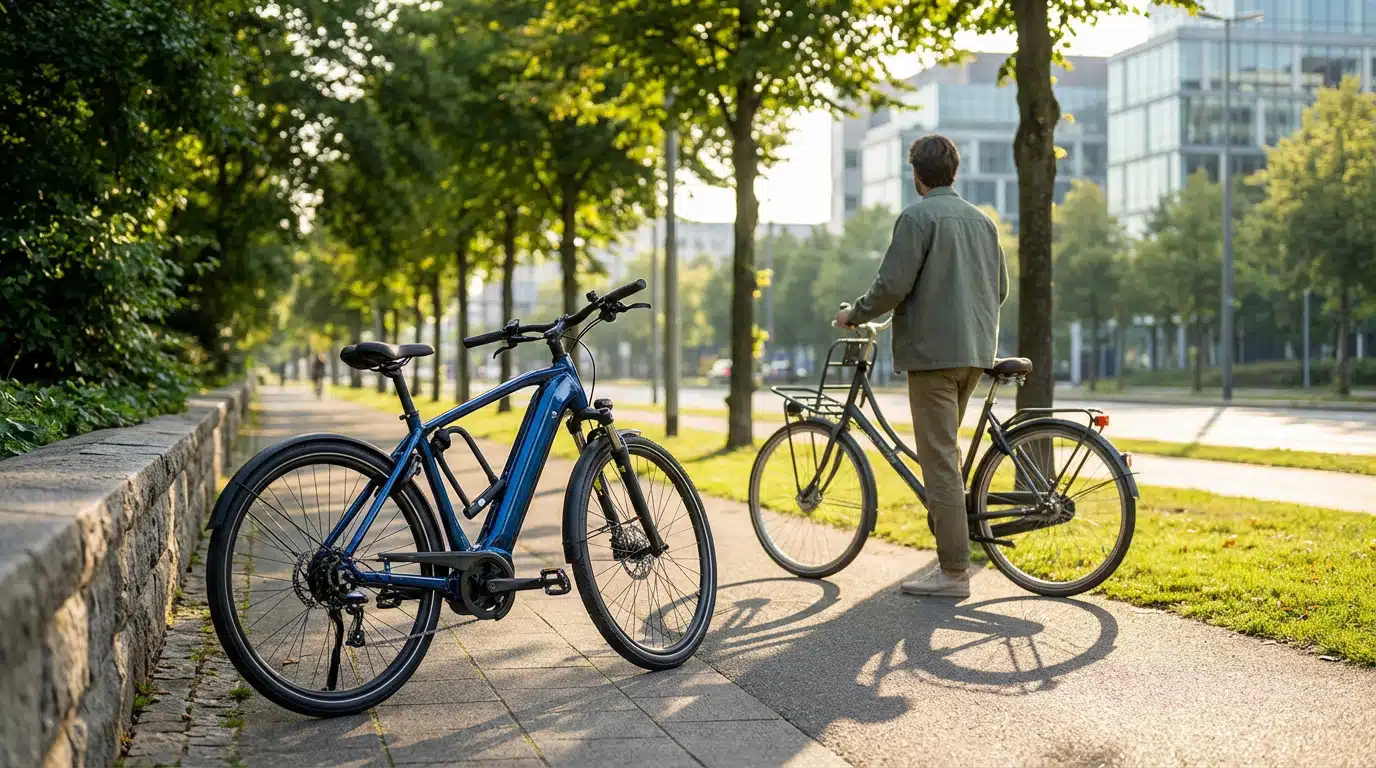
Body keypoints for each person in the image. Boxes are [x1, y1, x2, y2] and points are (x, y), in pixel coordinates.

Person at [835, 134, 1008, 599]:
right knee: (947, 454)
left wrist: (855, 313)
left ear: (916, 174)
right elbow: (1000, 290)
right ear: (954, 171)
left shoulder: (917, 218)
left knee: (940, 462)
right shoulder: (983, 222)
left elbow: (892, 285)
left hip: (934, 358)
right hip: (975, 354)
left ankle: (953, 572)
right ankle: (953, 546)